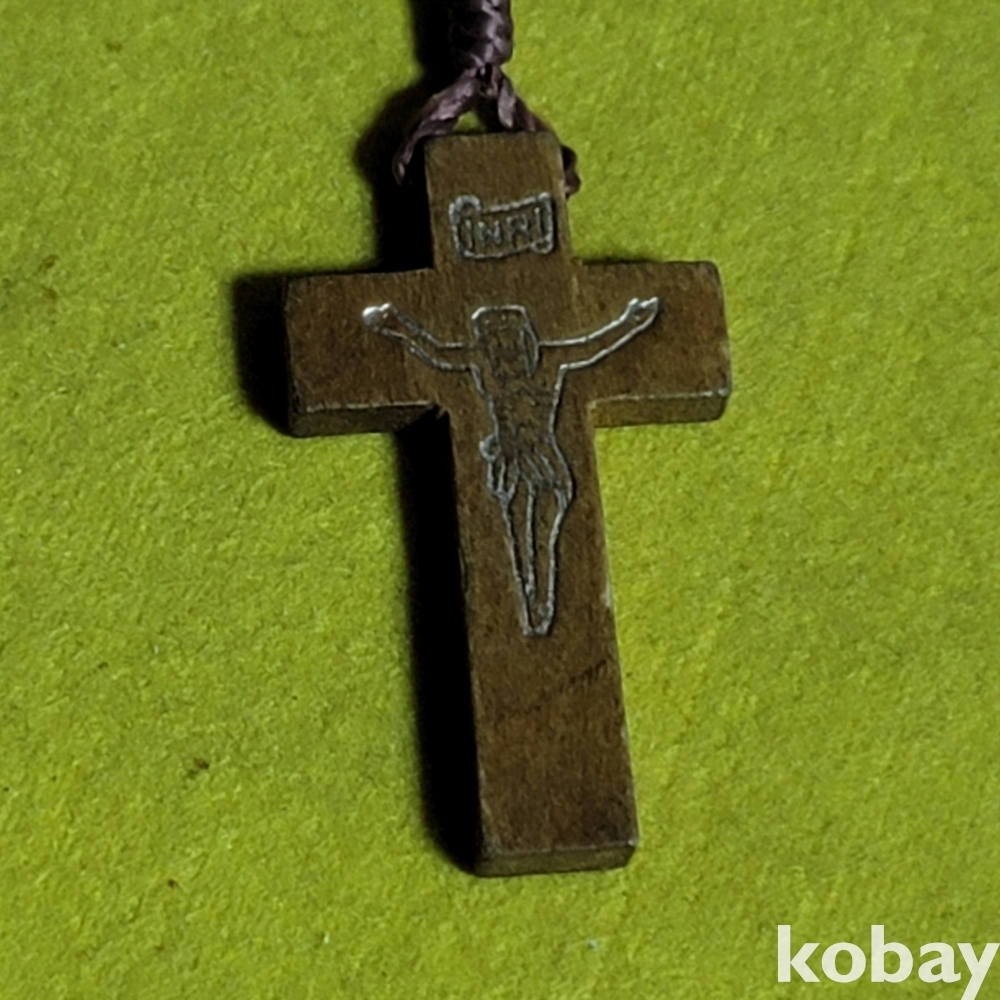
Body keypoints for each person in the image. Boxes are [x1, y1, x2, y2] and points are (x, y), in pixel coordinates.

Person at [363, 296, 660, 636]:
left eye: (511, 341)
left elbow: (591, 347)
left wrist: (631, 322)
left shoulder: (549, 363)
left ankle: (543, 604)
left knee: (543, 537)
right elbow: (440, 353)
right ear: (488, 347)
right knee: (518, 536)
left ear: (525, 339)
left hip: (546, 465)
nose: (506, 351)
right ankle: (529, 604)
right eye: (497, 344)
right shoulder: (485, 368)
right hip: (511, 464)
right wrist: (398, 327)